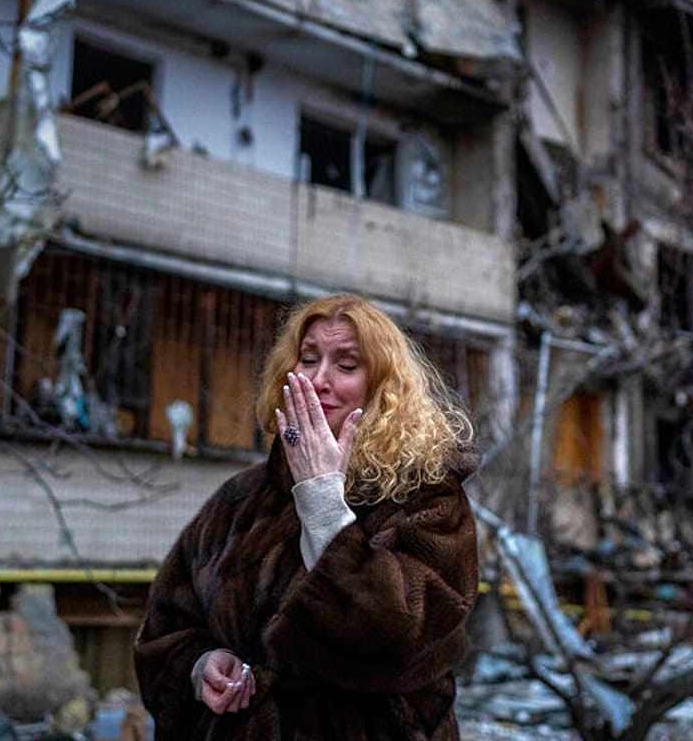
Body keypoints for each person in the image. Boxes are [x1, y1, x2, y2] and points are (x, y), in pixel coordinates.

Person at [134, 294, 479, 740]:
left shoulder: (427, 497)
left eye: (346, 365)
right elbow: (165, 628)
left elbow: (402, 636)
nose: (318, 380)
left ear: (383, 387)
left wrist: (322, 501)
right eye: (309, 359)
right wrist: (200, 668)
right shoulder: (241, 500)